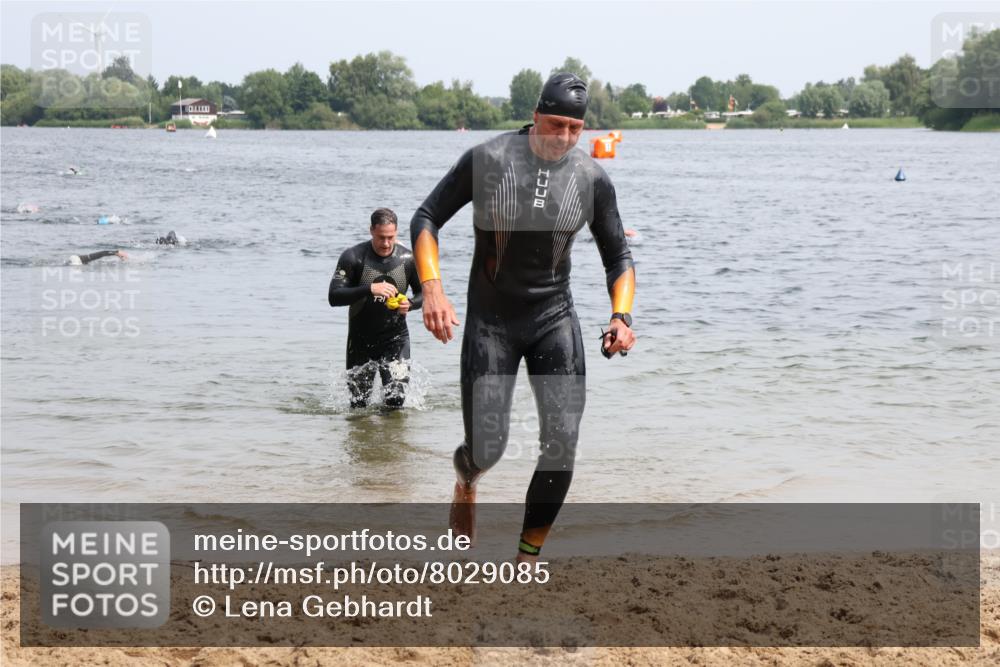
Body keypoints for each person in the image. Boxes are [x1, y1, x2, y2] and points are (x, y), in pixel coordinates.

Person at [410, 72, 636, 561]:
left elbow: (618, 257)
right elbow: (425, 219)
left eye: (574, 129)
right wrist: (432, 289)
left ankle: (525, 559)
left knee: (562, 444)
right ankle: (466, 480)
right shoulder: (488, 160)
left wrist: (622, 317)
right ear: (535, 116)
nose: (564, 138)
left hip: (554, 316)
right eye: (555, 125)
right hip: (491, 322)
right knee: (487, 448)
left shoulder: (592, 179)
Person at [329, 208, 424, 409]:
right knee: (358, 405)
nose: (386, 243)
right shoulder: (353, 257)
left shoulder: (408, 259)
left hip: (396, 340)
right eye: (381, 237)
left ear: (396, 232)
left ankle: (389, 440)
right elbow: (334, 296)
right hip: (360, 341)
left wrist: (411, 303)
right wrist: (370, 288)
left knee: (396, 400)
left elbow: (424, 294)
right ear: (371, 230)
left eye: (391, 237)